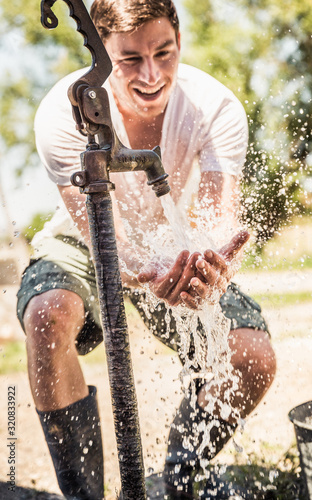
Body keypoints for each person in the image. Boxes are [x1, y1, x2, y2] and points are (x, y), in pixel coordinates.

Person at [16, 0, 276, 498]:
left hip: (169, 237)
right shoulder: (62, 112)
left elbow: (217, 216)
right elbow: (103, 235)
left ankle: (173, 481)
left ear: (180, 41)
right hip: (83, 236)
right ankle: (85, 495)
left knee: (253, 355)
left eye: (164, 52)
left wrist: (209, 265)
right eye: (130, 59)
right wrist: (145, 271)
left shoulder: (214, 106)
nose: (152, 74)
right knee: (48, 317)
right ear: (99, 50)